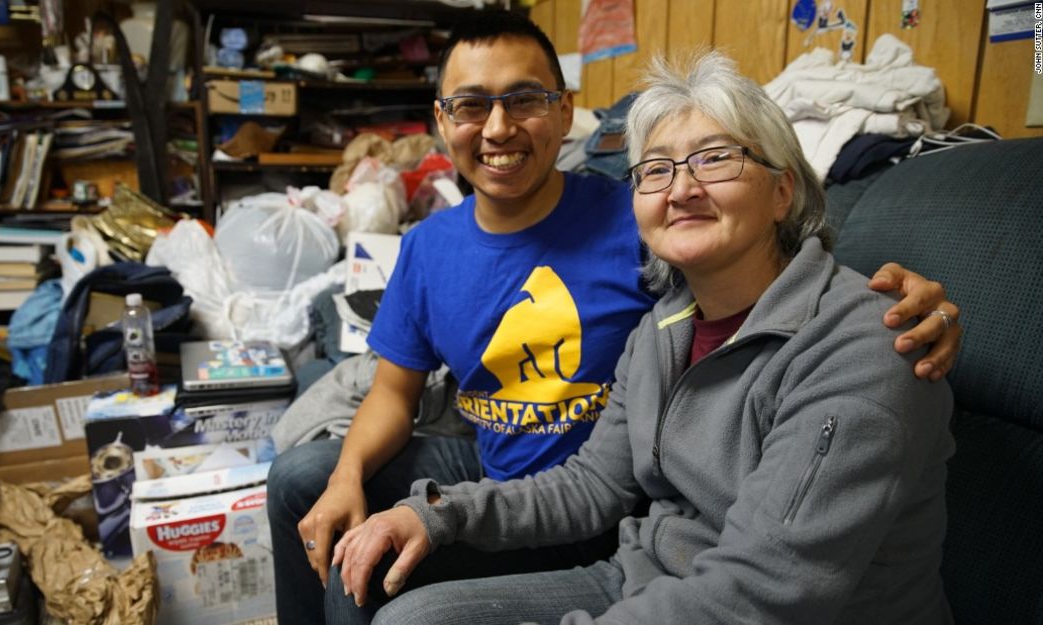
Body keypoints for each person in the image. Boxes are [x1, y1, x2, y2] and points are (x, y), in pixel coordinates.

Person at [267, 12, 961, 625]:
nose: (682, 187)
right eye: (655, 170)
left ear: (783, 188)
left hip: (684, 573)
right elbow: (592, 478)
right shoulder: (664, 324)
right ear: (444, 119)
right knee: (321, 498)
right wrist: (425, 506)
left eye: (715, 159)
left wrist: (913, 309)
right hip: (616, 545)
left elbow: (766, 587)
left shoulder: (866, 339)